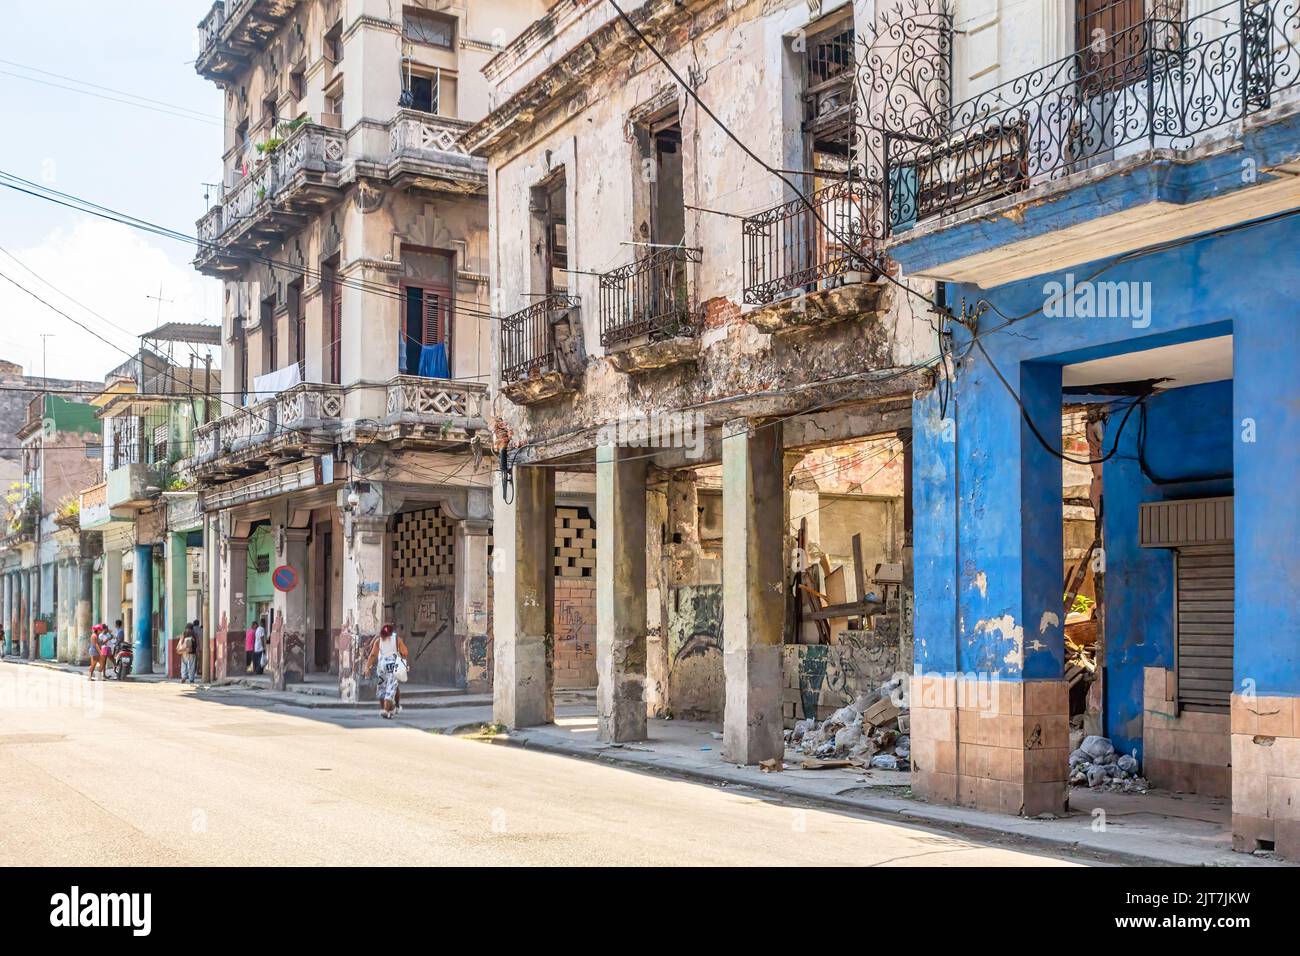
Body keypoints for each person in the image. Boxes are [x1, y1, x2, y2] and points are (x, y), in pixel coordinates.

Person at [364, 624, 409, 719]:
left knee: (382, 688)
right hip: (393, 667)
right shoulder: (397, 639)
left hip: (382, 667)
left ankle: (388, 708)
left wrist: (367, 667)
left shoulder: (378, 641)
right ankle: (387, 710)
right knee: (390, 689)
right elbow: (405, 652)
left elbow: (372, 655)